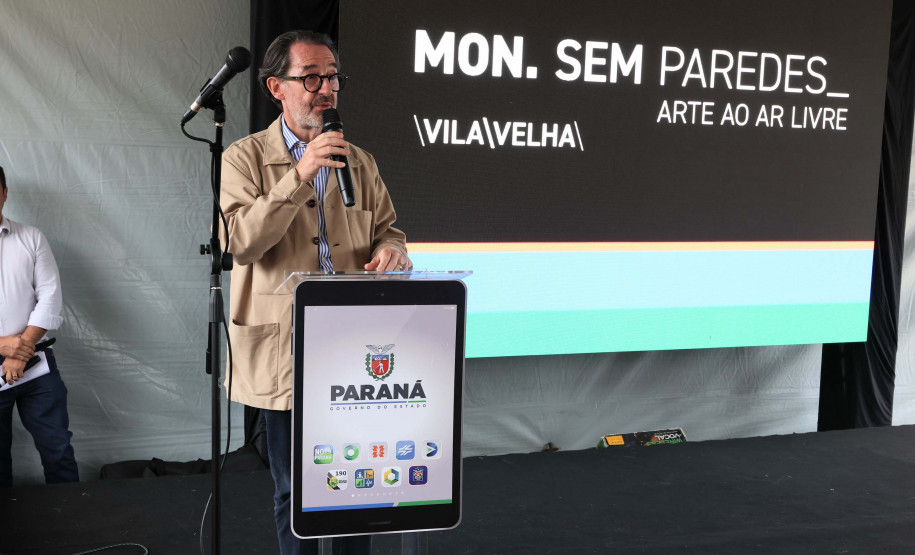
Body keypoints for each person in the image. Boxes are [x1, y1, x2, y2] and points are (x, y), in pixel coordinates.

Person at [220, 30, 410, 554]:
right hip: (286, 346)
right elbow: (239, 242)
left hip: (354, 345)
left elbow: (389, 230)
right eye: (311, 77)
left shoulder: (360, 161)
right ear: (276, 86)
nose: (325, 89)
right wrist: (299, 175)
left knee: (358, 486)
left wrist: (394, 251)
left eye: (332, 77)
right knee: (295, 490)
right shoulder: (245, 158)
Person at [0, 165, 78, 487]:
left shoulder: (31, 237)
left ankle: (74, 519)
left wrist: (20, 351)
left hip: (36, 365)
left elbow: (50, 295)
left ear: (4, 193)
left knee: (57, 448)